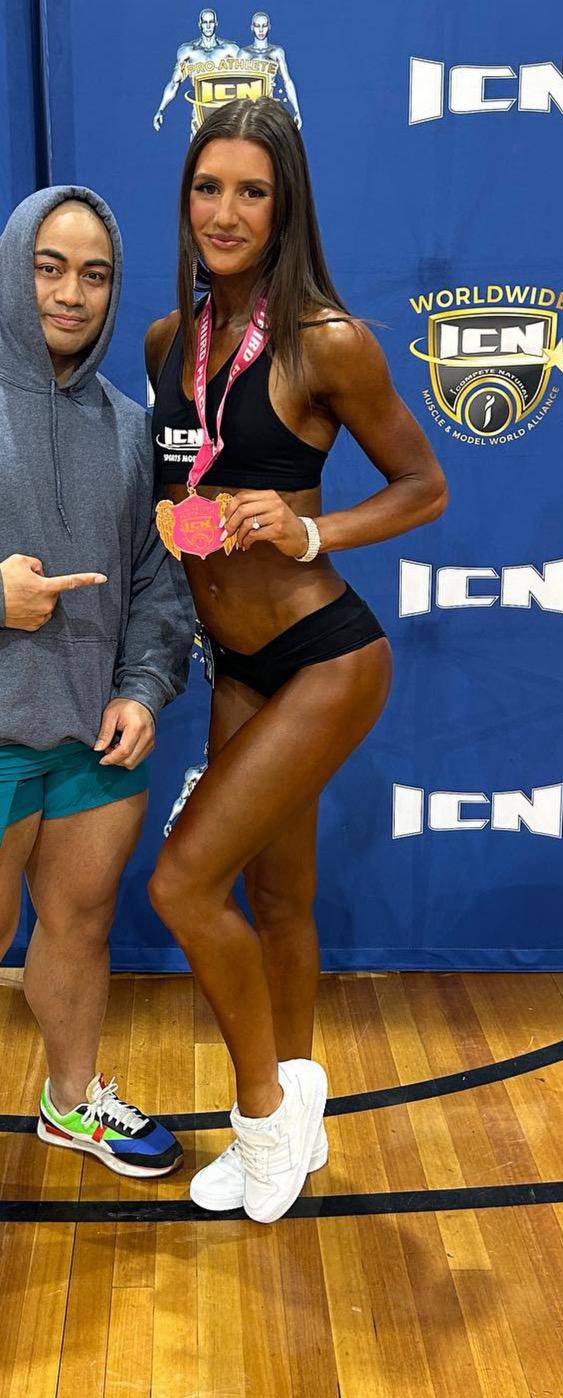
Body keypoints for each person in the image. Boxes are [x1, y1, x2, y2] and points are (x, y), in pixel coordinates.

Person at [145, 98, 448, 1223]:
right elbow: (179, 501)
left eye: (252, 192)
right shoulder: (168, 345)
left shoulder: (328, 341)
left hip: (327, 657)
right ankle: (300, 1115)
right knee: (278, 895)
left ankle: (264, 1119)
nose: (225, 213)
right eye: (208, 187)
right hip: (238, 663)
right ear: (186, 199)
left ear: (286, 209)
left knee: (183, 884)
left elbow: (425, 486)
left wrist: (311, 530)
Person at [0, 187, 195, 1178]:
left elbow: (159, 581)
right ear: (13, 269)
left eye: (94, 274)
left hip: (90, 738)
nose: (71, 293)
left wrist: (143, 687)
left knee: (78, 924)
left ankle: (72, 1103)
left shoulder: (127, 426)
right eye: (49, 267)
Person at [153, 8, 240, 139]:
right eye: (205, 22)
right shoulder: (188, 51)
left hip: (224, 108)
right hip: (200, 109)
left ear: (216, 23)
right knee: (199, 147)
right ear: (200, 24)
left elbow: (246, 78)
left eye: (211, 22)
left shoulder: (230, 49)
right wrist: (160, 109)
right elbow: (174, 82)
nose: (208, 26)